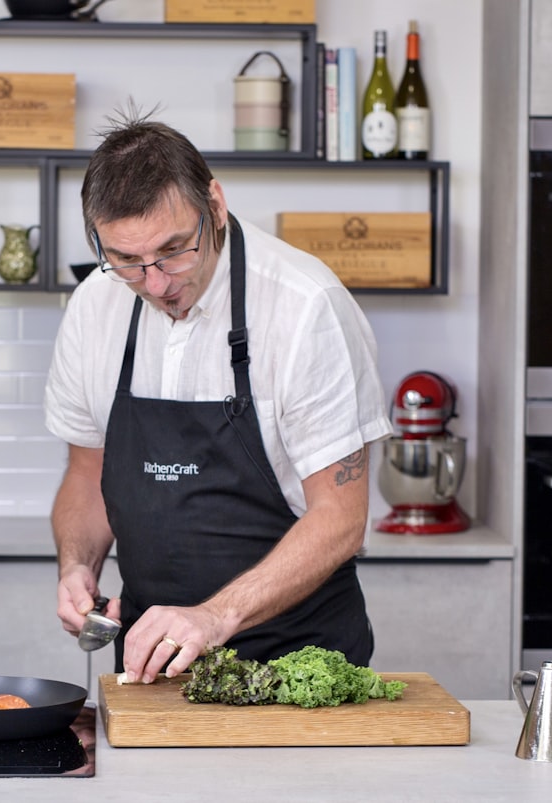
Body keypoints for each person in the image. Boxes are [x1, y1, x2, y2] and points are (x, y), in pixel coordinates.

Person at [44, 110, 392, 685]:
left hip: (296, 669)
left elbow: (341, 519)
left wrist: (213, 617)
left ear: (215, 205)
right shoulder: (95, 305)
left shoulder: (305, 307)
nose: (156, 284)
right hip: (151, 669)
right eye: (128, 261)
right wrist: (77, 564)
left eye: (174, 250)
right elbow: (87, 473)